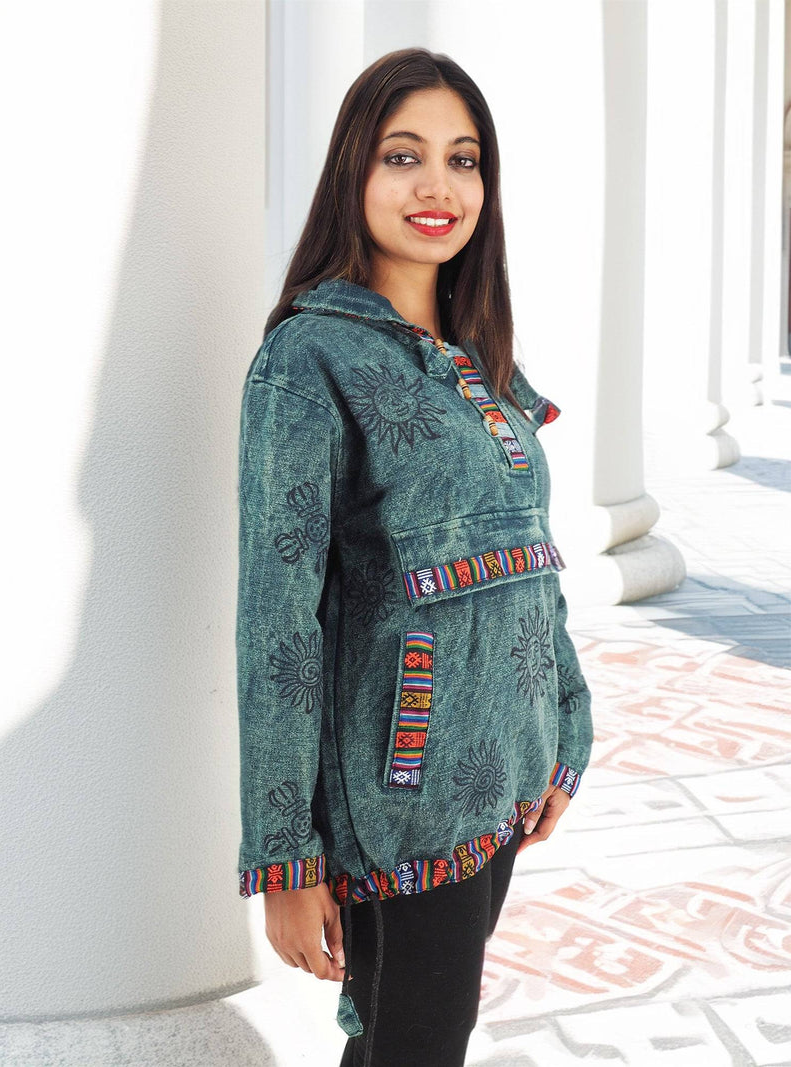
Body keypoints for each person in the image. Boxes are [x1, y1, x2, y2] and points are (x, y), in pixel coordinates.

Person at [236, 47, 594, 1066]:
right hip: (397, 801)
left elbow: (531, 561)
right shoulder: (306, 361)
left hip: (501, 779)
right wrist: (284, 857)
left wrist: (563, 720)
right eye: (403, 156)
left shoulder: (478, 356)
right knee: (413, 1045)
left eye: (463, 158)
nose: (437, 186)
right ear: (353, 171)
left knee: (424, 1037)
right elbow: (276, 622)